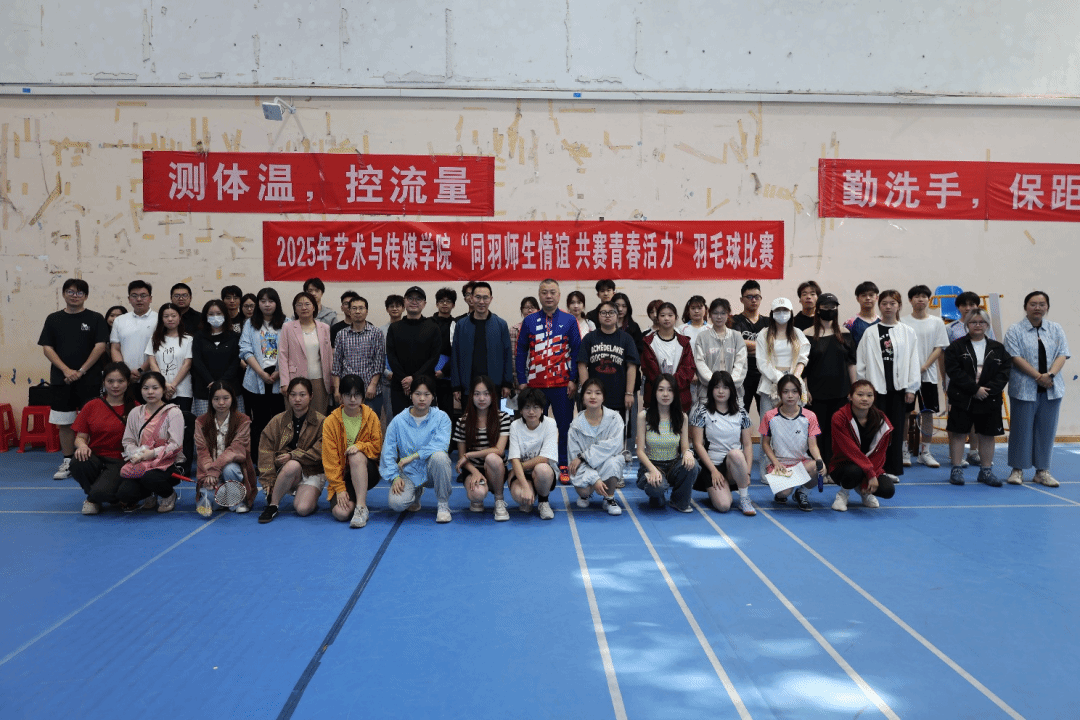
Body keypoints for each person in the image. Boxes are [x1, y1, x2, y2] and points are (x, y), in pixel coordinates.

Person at [38, 278, 110, 480]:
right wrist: (66, 370)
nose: (74, 296)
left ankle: (94, 460)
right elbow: (47, 347)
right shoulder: (53, 319)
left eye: (79, 292)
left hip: (90, 379)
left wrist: (81, 371)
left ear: (85, 296)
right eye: (70, 291)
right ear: (63, 294)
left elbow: (100, 346)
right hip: (61, 380)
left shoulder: (95, 318)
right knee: (65, 421)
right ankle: (68, 460)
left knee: (94, 422)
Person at [1003, 291, 1070, 487]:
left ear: (1047, 307)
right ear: (1025, 307)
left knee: (1046, 431)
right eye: (1033, 304)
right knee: (1021, 430)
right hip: (1023, 388)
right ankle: (1017, 470)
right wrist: (1038, 377)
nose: (1038, 308)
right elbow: (1015, 357)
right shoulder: (1015, 330)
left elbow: (1062, 354)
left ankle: (1042, 471)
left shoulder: (1056, 329)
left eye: (1042, 304)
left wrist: (1050, 376)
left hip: (1051, 388)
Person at [516, 279, 581, 479]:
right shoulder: (529, 321)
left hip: (563, 385)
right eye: (544, 292)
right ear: (539, 295)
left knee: (564, 427)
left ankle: (563, 463)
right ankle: (537, 464)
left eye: (552, 292)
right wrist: (522, 380)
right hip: (535, 385)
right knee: (535, 426)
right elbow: (521, 352)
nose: (549, 296)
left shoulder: (569, 320)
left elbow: (577, 351)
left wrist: (573, 379)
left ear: (559, 296)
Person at [856, 289, 920, 481]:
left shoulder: (908, 332)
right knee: (874, 430)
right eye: (884, 303)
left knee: (896, 430)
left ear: (899, 306)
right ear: (879, 306)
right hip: (875, 390)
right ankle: (873, 468)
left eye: (893, 303)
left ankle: (892, 468)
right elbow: (862, 362)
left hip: (899, 390)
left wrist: (911, 388)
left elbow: (913, 361)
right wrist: (863, 390)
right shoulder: (870, 332)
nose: (888, 307)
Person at [944, 310, 1012, 486]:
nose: (978, 325)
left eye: (982, 322)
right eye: (973, 322)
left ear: (987, 325)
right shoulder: (956, 347)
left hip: (989, 398)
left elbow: (1004, 372)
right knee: (959, 433)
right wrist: (974, 389)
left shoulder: (998, 348)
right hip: (962, 397)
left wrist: (988, 391)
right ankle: (956, 469)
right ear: (967, 325)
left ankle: (986, 471)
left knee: (987, 435)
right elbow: (954, 371)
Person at [382, 376, 454, 523]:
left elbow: (440, 445)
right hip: (409, 471)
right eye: (417, 394)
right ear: (410, 395)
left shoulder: (442, 418)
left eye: (427, 394)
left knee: (440, 457)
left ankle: (443, 505)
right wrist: (395, 477)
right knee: (396, 504)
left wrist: (413, 456)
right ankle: (416, 492)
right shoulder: (398, 421)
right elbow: (387, 452)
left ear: (433, 396)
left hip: (432, 469)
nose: (422, 398)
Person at [70, 362, 138, 514]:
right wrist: (82, 446)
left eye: (120, 381)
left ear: (128, 382)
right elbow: (80, 437)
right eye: (110, 381)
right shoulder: (91, 405)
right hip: (96, 458)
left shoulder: (136, 408)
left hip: (121, 461)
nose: (115, 385)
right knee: (78, 461)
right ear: (104, 382)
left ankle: (95, 497)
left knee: (104, 492)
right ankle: (94, 497)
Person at [257, 378, 326, 523]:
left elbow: (320, 451)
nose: (297, 399)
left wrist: (293, 455)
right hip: (285, 471)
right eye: (293, 395)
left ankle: (307, 495)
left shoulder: (322, 421)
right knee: (292, 465)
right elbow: (265, 451)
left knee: (303, 509)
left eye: (302, 395)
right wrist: (268, 480)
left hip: (312, 470)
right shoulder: (277, 421)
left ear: (311, 396)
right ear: (287, 396)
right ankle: (273, 505)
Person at [116, 371, 185, 513]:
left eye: (155, 388)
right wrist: (137, 453)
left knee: (150, 478)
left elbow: (176, 445)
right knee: (124, 493)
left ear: (163, 390)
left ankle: (168, 495)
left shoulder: (173, 412)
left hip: (167, 463)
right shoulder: (135, 412)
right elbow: (128, 441)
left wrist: (152, 453)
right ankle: (150, 494)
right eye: (145, 388)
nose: (150, 392)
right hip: (142, 461)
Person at [803, 293, 856, 473]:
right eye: (825, 307)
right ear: (818, 310)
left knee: (837, 432)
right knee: (818, 432)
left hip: (841, 391)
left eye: (833, 307)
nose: (829, 310)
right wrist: (805, 389)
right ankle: (819, 469)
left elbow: (851, 363)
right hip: (816, 392)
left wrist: (854, 388)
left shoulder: (845, 333)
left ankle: (834, 470)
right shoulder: (808, 334)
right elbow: (804, 365)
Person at [322, 374, 383, 528]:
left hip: (368, 471)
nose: (353, 399)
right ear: (341, 396)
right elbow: (330, 460)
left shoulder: (371, 417)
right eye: (348, 395)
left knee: (355, 455)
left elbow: (377, 448)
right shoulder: (330, 421)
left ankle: (361, 507)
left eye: (357, 395)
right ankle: (354, 498)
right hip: (343, 476)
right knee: (341, 514)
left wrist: (360, 447)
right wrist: (340, 488)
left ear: (363, 397)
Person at [689, 371, 755, 515]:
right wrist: (713, 471)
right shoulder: (701, 412)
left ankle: (744, 498)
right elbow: (698, 444)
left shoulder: (742, 413)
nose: (721, 391)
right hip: (713, 466)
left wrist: (748, 473)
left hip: (734, 466)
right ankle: (721, 489)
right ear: (711, 389)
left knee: (736, 454)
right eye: (717, 387)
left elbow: (748, 444)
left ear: (731, 390)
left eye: (725, 387)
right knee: (723, 506)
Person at [760, 375, 825, 511]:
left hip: (801, 463)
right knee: (783, 493)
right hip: (779, 464)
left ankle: (802, 493)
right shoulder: (770, 416)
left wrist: (819, 460)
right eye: (785, 392)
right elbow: (765, 444)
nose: (790, 395)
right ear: (779, 394)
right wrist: (776, 463)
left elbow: (813, 445)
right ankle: (783, 490)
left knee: (818, 468)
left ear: (800, 394)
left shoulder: (810, 416)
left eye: (794, 391)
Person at [901, 284, 949, 468]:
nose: (920, 299)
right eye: (916, 296)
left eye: (923, 296)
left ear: (928, 300)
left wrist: (925, 366)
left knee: (928, 414)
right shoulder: (902, 322)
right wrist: (912, 368)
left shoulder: (937, 322)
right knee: (904, 414)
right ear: (910, 300)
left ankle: (925, 452)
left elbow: (939, 348)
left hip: (928, 376)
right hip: (906, 377)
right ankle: (904, 451)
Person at [829, 380, 896, 511]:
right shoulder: (839, 417)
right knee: (854, 471)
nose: (865, 399)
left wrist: (870, 476)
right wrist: (870, 474)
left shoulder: (881, 420)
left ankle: (864, 491)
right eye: (860, 395)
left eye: (869, 395)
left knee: (888, 490)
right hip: (843, 465)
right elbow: (850, 450)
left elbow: (880, 454)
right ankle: (843, 494)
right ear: (850, 396)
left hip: (870, 465)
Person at [636, 373, 699, 512]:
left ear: (675, 393)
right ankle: (655, 492)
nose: (665, 394)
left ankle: (678, 501)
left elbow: (684, 447)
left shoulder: (682, 417)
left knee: (693, 465)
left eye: (670, 390)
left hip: (673, 465)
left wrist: (688, 452)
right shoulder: (644, 416)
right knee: (657, 492)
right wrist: (652, 470)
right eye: (661, 390)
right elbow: (639, 451)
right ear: (655, 393)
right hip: (652, 464)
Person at [946, 291, 995, 466]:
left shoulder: (986, 327)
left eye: (972, 304)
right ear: (958, 307)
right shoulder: (951, 328)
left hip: (981, 382)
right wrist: (945, 380)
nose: (968, 308)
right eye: (964, 305)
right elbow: (945, 357)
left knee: (977, 417)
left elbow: (992, 352)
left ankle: (974, 452)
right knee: (956, 419)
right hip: (958, 382)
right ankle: (955, 455)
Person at [193, 381, 257, 516]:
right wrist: (208, 476)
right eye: (216, 399)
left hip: (233, 469)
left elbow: (235, 449)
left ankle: (237, 501)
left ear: (232, 399)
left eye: (226, 398)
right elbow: (202, 451)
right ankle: (220, 494)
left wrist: (214, 469)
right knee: (212, 505)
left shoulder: (243, 420)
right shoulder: (200, 422)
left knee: (230, 469)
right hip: (210, 471)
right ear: (211, 400)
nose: (221, 403)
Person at [453, 376, 512, 520]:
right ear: (471, 396)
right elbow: (462, 458)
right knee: (477, 494)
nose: (481, 398)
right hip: (473, 468)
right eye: (477, 394)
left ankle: (499, 500)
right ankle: (477, 499)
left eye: (486, 394)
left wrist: (470, 455)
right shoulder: (462, 422)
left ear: (492, 396)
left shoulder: (503, 418)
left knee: (493, 458)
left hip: (495, 469)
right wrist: (475, 472)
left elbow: (499, 450)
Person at [577, 301, 640, 435]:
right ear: (598, 316)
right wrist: (586, 393)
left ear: (617, 316)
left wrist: (629, 393)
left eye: (611, 312)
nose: (607, 315)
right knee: (592, 434)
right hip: (594, 398)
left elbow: (632, 367)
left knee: (617, 436)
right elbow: (582, 365)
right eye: (603, 313)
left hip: (619, 397)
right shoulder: (589, 338)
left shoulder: (626, 339)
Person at [240, 287, 286, 462]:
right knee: (259, 421)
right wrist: (260, 373)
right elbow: (245, 349)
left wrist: (279, 372)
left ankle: (278, 458)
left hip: (280, 377)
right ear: (258, 303)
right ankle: (260, 460)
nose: (267, 305)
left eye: (271, 301)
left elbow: (290, 351)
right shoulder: (250, 323)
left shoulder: (287, 323)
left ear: (277, 303)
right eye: (263, 301)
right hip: (255, 377)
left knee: (279, 420)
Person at [451, 282, 514, 406]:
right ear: (471, 298)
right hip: (467, 386)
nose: (481, 302)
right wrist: (456, 386)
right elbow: (455, 356)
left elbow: (507, 355)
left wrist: (507, 383)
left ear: (491, 299)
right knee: (468, 418)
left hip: (494, 386)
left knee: (493, 418)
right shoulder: (461, 325)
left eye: (485, 298)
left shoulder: (501, 325)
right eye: (478, 297)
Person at [567, 378, 624, 515]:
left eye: (598, 393)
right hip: (585, 467)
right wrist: (595, 479)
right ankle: (585, 495)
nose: (593, 397)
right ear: (582, 397)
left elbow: (614, 446)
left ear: (603, 397)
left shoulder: (615, 418)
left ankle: (609, 498)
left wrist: (584, 456)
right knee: (583, 490)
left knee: (614, 461)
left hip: (606, 463)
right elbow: (574, 459)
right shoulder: (575, 426)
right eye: (588, 393)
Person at [386, 286, 442, 416]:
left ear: (424, 304)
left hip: (425, 387)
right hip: (400, 386)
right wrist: (405, 381)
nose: (414, 301)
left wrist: (414, 379)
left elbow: (434, 357)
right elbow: (391, 356)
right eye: (410, 298)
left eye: (418, 299)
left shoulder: (433, 327)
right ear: (404, 302)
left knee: (426, 423)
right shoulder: (394, 328)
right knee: (401, 423)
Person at [507, 387, 559, 520]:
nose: (531, 412)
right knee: (520, 496)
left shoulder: (550, 424)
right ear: (520, 410)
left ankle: (543, 501)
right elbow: (514, 459)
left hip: (542, 471)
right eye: (527, 407)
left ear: (542, 409)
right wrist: (525, 487)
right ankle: (529, 494)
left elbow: (544, 458)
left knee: (543, 469)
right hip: (523, 473)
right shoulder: (515, 426)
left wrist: (518, 467)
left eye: (535, 407)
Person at [279, 291, 333, 415]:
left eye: (307, 304)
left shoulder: (324, 328)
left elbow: (329, 356)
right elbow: (282, 356)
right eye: (299, 305)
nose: (304, 308)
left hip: (319, 380)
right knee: (295, 416)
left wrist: (331, 381)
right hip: (295, 380)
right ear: (295, 309)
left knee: (318, 417)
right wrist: (285, 382)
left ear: (314, 307)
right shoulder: (287, 327)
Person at [332, 295, 386, 418]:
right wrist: (337, 389)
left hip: (370, 390)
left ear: (366, 311)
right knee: (347, 424)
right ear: (349, 311)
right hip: (347, 390)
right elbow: (337, 365)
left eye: (361, 308)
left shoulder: (376, 333)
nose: (357, 311)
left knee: (371, 423)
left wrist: (373, 385)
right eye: (354, 308)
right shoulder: (341, 334)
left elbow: (379, 362)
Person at [755, 298, 809, 415]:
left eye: (785, 310)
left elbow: (803, 358)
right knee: (769, 420)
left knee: (793, 419)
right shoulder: (763, 334)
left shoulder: (798, 333)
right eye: (778, 310)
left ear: (791, 313)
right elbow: (762, 363)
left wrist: (794, 378)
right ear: (772, 313)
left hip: (793, 382)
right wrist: (781, 379)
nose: (781, 313)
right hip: (770, 384)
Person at [190, 299, 243, 417]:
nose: (215, 317)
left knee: (234, 425)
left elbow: (236, 361)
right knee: (206, 425)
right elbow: (198, 361)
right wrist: (211, 382)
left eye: (219, 313)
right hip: (204, 390)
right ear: (205, 316)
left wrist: (221, 383)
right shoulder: (199, 337)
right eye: (211, 314)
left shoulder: (234, 337)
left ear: (225, 315)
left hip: (231, 389)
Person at [692, 297, 747, 408]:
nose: (719, 317)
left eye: (723, 313)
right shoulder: (702, 337)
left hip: (734, 393)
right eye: (715, 313)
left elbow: (741, 364)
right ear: (710, 315)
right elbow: (699, 363)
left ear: (728, 314)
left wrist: (728, 385)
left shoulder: (736, 336)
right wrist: (714, 384)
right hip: (707, 394)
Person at [641, 301, 695, 411]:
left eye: (670, 315)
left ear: (676, 318)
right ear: (657, 318)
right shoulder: (648, 341)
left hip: (680, 397)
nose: (666, 318)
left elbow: (688, 369)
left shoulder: (684, 342)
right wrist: (663, 387)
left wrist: (672, 385)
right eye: (662, 315)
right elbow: (648, 369)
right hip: (654, 396)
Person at [146, 302, 194, 413]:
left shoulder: (188, 339)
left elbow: (187, 364)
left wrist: (172, 385)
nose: (170, 319)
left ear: (179, 317)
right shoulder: (154, 339)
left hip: (183, 390)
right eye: (166, 316)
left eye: (173, 316)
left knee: (181, 420)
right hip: (159, 389)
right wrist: (164, 384)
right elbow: (152, 363)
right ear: (161, 319)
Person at [730, 280, 768, 415]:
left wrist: (747, 345)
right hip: (742, 375)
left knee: (767, 415)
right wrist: (763, 346)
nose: (754, 300)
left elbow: (774, 345)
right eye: (749, 297)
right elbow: (736, 343)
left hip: (764, 375)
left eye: (757, 297)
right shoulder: (735, 321)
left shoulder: (768, 322)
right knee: (740, 414)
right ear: (741, 299)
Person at [110, 280, 157, 384]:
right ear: (129, 299)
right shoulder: (120, 320)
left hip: (152, 377)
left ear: (150, 298)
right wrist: (124, 372)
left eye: (143, 296)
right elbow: (115, 348)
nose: (139, 299)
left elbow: (158, 349)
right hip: (125, 378)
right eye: (134, 296)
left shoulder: (159, 319)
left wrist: (141, 370)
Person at [379, 294, 405, 428]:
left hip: (405, 378)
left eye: (398, 306)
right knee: (390, 414)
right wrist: (386, 372)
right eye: (391, 306)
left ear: (403, 308)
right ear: (387, 309)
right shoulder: (381, 331)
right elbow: (378, 355)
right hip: (387, 378)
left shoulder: (408, 328)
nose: (395, 309)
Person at [431, 287, 458, 417]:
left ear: (453, 305)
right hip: (428, 373)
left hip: (447, 374)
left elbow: (457, 352)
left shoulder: (457, 324)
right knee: (427, 410)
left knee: (446, 412)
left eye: (448, 301)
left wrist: (444, 371)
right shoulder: (428, 323)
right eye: (441, 301)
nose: (445, 304)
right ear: (437, 304)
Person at [844, 280, 880, 348]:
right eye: (864, 295)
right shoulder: (850, 323)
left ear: (877, 298)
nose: (868, 298)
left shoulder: (882, 322)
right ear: (857, 299)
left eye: (871, 295)